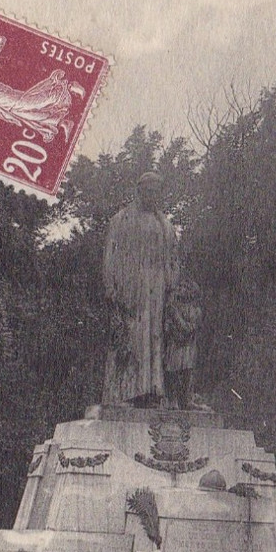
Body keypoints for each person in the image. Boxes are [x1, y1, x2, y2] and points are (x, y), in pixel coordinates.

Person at [101, 172, 180, 406]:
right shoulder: (121, 219)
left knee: (155, 341)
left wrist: (172, 286)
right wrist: (111, 287)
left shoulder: (164, 224)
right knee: (130, 340)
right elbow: (110, 255)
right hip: (130, 290)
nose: (152, 195)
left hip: (156, 292)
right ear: (139, 191)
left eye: (156, 191)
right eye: (148, 190)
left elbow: (173, 258)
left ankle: (152, 392)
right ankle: (123, 394)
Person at [164, 278, 203, 409]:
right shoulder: (173, 307)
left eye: (184, 288)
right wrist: (174, 328)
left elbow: (190, 328)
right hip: (175, 345)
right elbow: (168, 326)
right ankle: (172, 399)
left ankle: (186, 399)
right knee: (173, 372)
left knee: (187, 373)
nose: (180, 290)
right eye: (180, 287)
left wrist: (177, 320)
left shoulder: (196, 310)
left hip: (188, 346)